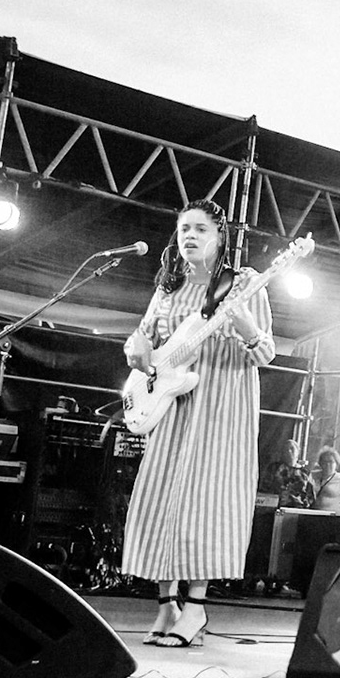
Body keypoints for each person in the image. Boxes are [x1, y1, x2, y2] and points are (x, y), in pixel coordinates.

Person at [121, 198, 275, 648]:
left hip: (221, 406)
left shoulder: (245, 284)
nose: (189, 236)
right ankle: (166, 603)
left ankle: (198, 608)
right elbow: (145, 338)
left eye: (200, 229)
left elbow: (264, 355)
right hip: (172, 404)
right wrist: (135, 350)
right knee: (162, 496)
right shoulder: (169, 287)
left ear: (221, 236)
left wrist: (245, 323)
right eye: (184, 228)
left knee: (207, 504)